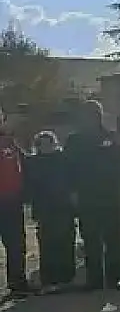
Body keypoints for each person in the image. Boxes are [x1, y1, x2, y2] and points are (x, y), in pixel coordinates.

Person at [64, 100, 120, 291]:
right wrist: (72, 192)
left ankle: (115, 277)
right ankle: (94, 279)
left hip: (109, 194)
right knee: (91, 239)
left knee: (113, 238)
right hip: (86, 194)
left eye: (95, 114)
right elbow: (68, 168)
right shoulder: (74, 140)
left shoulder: (110, 137)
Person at [27, 131, 77, 290]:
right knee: (47, 243)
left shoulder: (63, 159)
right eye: (42, 144)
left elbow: (72, 181)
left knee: (66, 240)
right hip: (44, 207)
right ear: (38, 146)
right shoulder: (33, 162)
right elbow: (30, 187)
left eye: (48, 143)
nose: (46, 146)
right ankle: (49, 278)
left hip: (63, 206)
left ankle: (67, 277)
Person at [0, 112, 31, 297]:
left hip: (12, 200)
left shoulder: (10, 143)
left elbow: (25, 163)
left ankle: (18, 282)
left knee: (16, 243)